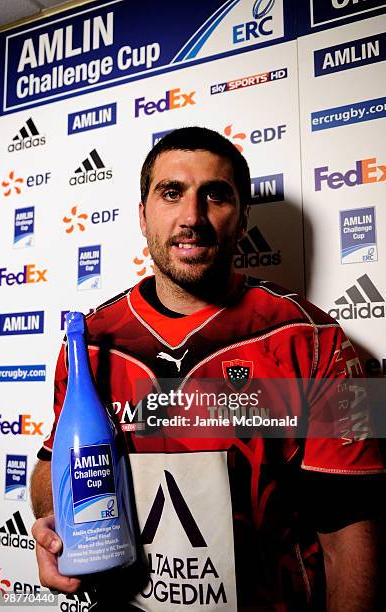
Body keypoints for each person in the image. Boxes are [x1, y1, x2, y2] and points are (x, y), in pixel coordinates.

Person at [31, 127, 385, 611]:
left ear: (242, 220)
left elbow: (353, 527)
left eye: (215, 195)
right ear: (142, 215)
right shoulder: (89, 342)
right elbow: (54, 465)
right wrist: (54, 523)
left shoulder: (317, 337)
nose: (191, 217)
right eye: (171, 193)